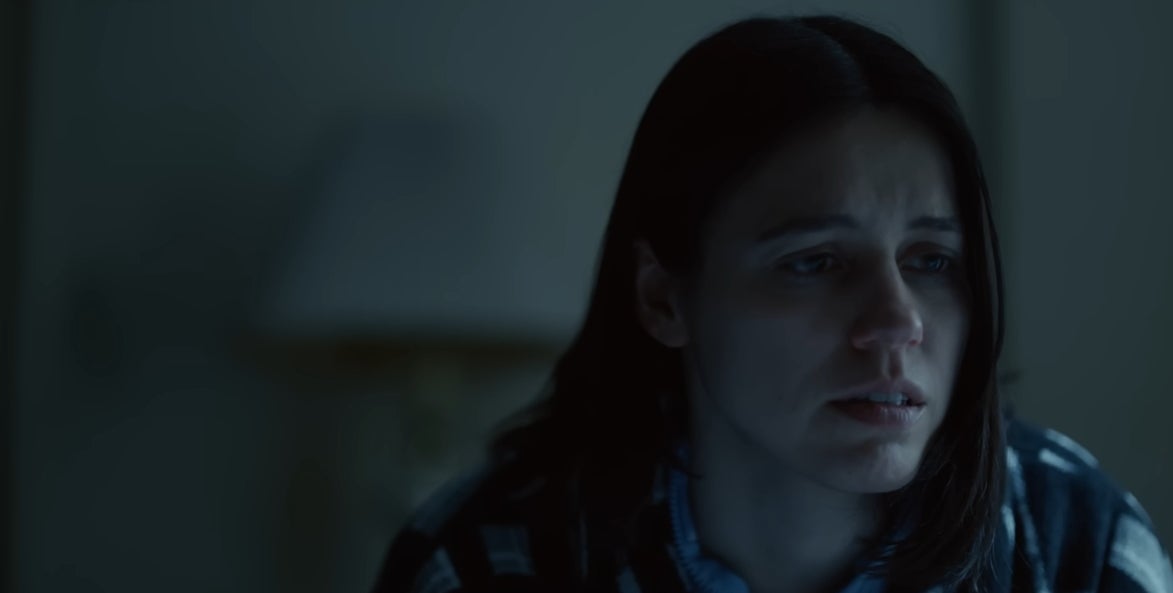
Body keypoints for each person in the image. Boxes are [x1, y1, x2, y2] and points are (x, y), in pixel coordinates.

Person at [370, 15, 1173, 593]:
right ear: (662, 296)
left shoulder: (1071, 542)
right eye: (814, 262)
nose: (896, 321)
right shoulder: (489, 558)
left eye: (931, 260)